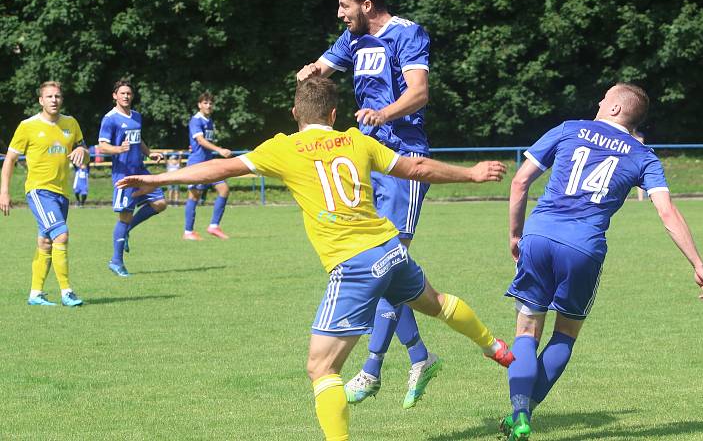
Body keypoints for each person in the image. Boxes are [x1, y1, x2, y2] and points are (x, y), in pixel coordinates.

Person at [118, 77, 514, 440]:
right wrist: (472, 173)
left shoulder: (284, 147)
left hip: (355, 264)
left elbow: (220, 168)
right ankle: (494, 345)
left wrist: (156, 179)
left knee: (321, 369)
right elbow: (417, 166)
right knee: (436, 303)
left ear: (295, 114)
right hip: (390, 249)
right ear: (334, 114)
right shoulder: (357, 140)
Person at [500, 84, 703, 440]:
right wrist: (697, 263)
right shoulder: (644, 156)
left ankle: (519, 412)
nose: (599, 101)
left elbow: (521, 181)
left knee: (526, 332)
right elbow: (666, 211)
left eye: (604, 97)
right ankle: (521, 416)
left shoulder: (569, 128)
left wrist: (515, 234)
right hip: (584, 249)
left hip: (539, 236)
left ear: (616, 109)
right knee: (564, 336)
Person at [297, 0, 438, 409]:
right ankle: (418, 357)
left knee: (386, 264)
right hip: (363, 162)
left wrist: (384, 114)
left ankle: (375, 367)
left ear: (367, 6)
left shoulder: (407, 34)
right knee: (382, 266)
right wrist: (310, 71)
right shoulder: (351, 40)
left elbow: (419, 93)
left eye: (344, 7)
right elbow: (323, 66)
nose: (340, 15)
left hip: (403, 160)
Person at [0, 81, 88, 307]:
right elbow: (9, 159)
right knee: (61, 235)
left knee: (46, 242)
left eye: (57, 96)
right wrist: (4, 191)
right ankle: (67, 292)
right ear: (41, 100)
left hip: (62, 193)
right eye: (49, 97)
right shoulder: (27, 126)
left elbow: (84, 152)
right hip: (39, 191)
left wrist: (81, 150)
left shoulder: (71, 123)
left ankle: (35, 294)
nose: (54, 100)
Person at [97, 79, 167, 277]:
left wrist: (149, 153)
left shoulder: (136, 116)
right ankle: (116, 261)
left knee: (160, 203)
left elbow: (138, 139)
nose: (126, 96)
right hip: (124, 175)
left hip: (141, 171)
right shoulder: (110, 118)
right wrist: (118, 149)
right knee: (124, 217)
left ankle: (128, 230)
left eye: (129, 93)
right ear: (115, 96)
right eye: (122, 93)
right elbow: (102, 145)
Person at [183, 91, 232, 240]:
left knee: (224, 189)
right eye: (205, 103)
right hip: (197, 164)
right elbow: (200, 141)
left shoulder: (209, 121)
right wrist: (219, 150)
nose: (208, 105)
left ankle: (214, 226)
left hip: (209, 163)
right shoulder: (196, 120)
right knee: (194, 196)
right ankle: (188, 232)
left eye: (210, 103)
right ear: (199, 105)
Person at [632, 130, 645, 201]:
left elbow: (640, 141)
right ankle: (624, 199)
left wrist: (634, 133)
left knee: (639, 180)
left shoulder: (639, 134)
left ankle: (640, 200)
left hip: (638, 160)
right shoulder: (625, 133)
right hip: (628, 159)